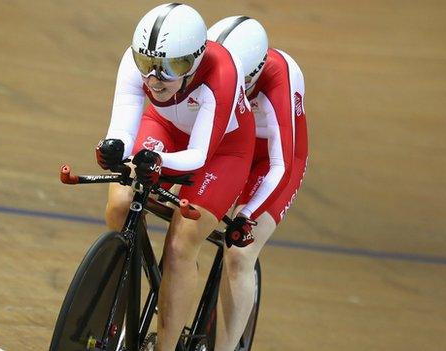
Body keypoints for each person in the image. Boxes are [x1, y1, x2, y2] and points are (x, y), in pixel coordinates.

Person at [94, 4, 256, 350]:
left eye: (171, 67)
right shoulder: (134, 62)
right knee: (121, 201)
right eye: (146, 64)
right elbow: (121, 129)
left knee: (182, 243)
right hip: (167, 127)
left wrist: (157, 161)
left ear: (195, 60)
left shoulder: (223, 73)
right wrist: (114, 150)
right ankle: (117, 297)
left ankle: (165, 346)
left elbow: (198, 157)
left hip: (222, 151)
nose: (154, 78)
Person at [207, 16, 309, 351]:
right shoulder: (210, 63)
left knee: (239, 251)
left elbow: (281, 164)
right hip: (230, 145)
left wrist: (247, 214)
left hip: (272, 159)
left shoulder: (279, 76)